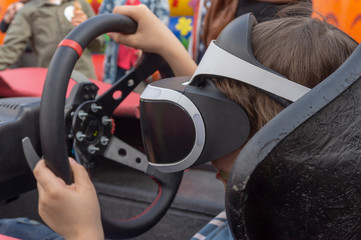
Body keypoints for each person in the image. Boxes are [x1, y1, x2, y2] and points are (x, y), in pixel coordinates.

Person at [0, 2, 358, 240]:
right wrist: (169, 48)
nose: (208, 127)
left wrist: (84, 233)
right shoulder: (301, 203)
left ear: (285, 143)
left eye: (225, 121)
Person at [0, 0, 103, 79]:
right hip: (52, 81)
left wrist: (88, 28)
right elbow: (10, 50)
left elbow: (99, 45)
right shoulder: (28, 11)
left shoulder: (80, 4)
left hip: (84, 77)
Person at [99, 0, 169, 84]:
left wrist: (145, 46)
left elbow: (162, 25)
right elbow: (103, 19)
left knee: (143, 92)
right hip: (118, 60)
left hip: (143, 60)